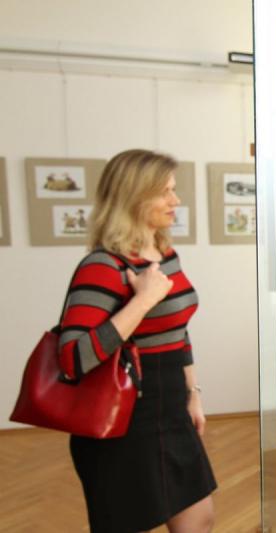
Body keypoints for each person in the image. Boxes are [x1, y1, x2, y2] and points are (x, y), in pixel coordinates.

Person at [59, 149, 216, 532]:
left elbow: (178, 329)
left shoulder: (165, 256)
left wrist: (193, 394)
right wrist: (143, 300)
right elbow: (73, 359)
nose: (175, 200)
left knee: (200, 520)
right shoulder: (102, 265)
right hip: (122, 419)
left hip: (171, 407)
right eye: (165, 192)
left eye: (174, 189)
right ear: (133, 196)